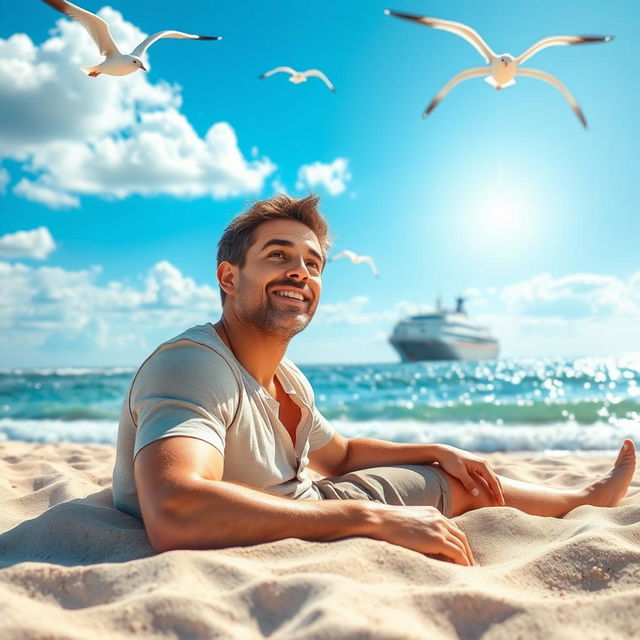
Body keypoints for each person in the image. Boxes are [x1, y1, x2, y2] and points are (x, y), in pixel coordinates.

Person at [112, 194, 636, 566]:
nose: (300, 272)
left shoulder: (288, 379)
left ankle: (585, 496)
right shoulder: (193, 364)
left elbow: (339, 457)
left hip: (307, 505)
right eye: (278, 256)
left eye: (313, 264)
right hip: (281, 521)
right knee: (451, 490)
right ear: (229, 277)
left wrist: (434, 448)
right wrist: (371, 519)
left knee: (457, 477)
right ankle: (584, 498)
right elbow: (176, 509)